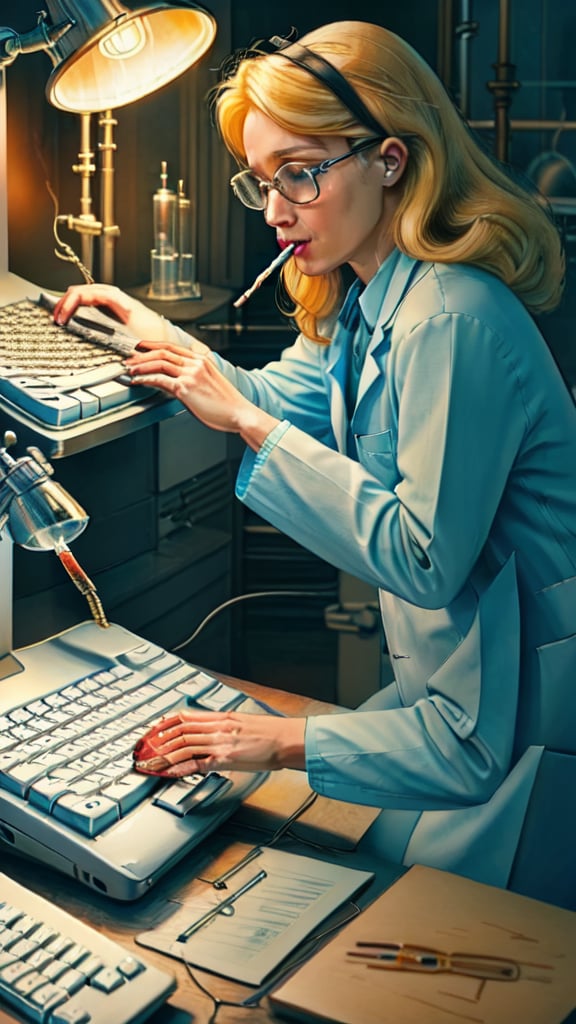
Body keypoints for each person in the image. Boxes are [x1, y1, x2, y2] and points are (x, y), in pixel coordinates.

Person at [53, 21, 576, 898]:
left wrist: (273, 741)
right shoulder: (375, 300)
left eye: (301, 173)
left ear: (391, 160)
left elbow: (422, 556)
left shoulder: (451, 316)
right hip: (452, 712)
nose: (276, 209)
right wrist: (154, 335)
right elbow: (263, 399)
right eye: (264, 181)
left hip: (530, 737)